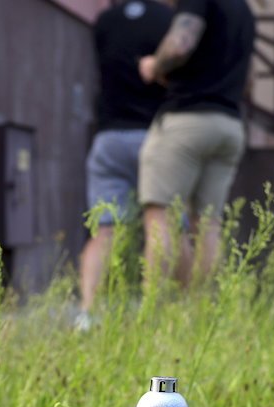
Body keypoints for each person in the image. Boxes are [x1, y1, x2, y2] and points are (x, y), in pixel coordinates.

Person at [137, 0, 255, 285]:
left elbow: (179, 45)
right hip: (229, 125)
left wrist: (154, 65)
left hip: (186, 121)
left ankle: (151, 317)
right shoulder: (244, 10)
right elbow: (249, 81)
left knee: (160, 218)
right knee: (208, 225)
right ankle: (199, 314)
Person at [77, 0, 174, 329]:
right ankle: (152, 312)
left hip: (109, 137)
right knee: (159, 223)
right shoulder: (169, 19)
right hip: (155, 135)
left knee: (105, 230)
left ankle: (88, 312)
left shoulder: (105, 21)